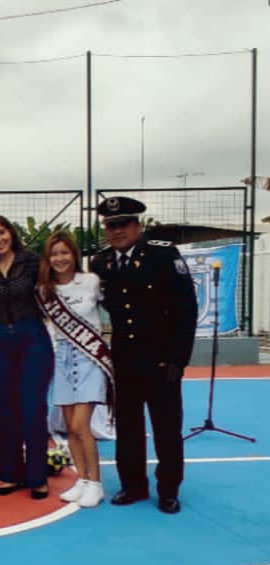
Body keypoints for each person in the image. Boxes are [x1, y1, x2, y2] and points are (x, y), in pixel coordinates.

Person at [90, 196, 197, 514]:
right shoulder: (101, 262)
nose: (117, 231)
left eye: (123, 224)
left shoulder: (162, 255)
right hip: (124, 359)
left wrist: (178, 359)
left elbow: (186, 309)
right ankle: (133, 485)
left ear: (138, 225)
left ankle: (168, 490)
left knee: (166, 428)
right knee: (128, 427)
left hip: (161, 359)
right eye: (111, 225)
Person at [0, 214, 54, 500]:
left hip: (33, 339)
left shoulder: (31, 261)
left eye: (2, 232)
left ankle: (37, 477)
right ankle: (10, 474)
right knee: (6, 410)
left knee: (33, 409)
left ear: (11, 232)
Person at [38, 231, 111, 508]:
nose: (60, 259)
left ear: (74, 254)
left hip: (90, 358)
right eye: (54, 254)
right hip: (63, 358)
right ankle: (82, 479)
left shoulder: (90, 281)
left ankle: (96, 483)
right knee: (70, 427)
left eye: (64, 252)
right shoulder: (44, 290)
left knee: (82, 426)